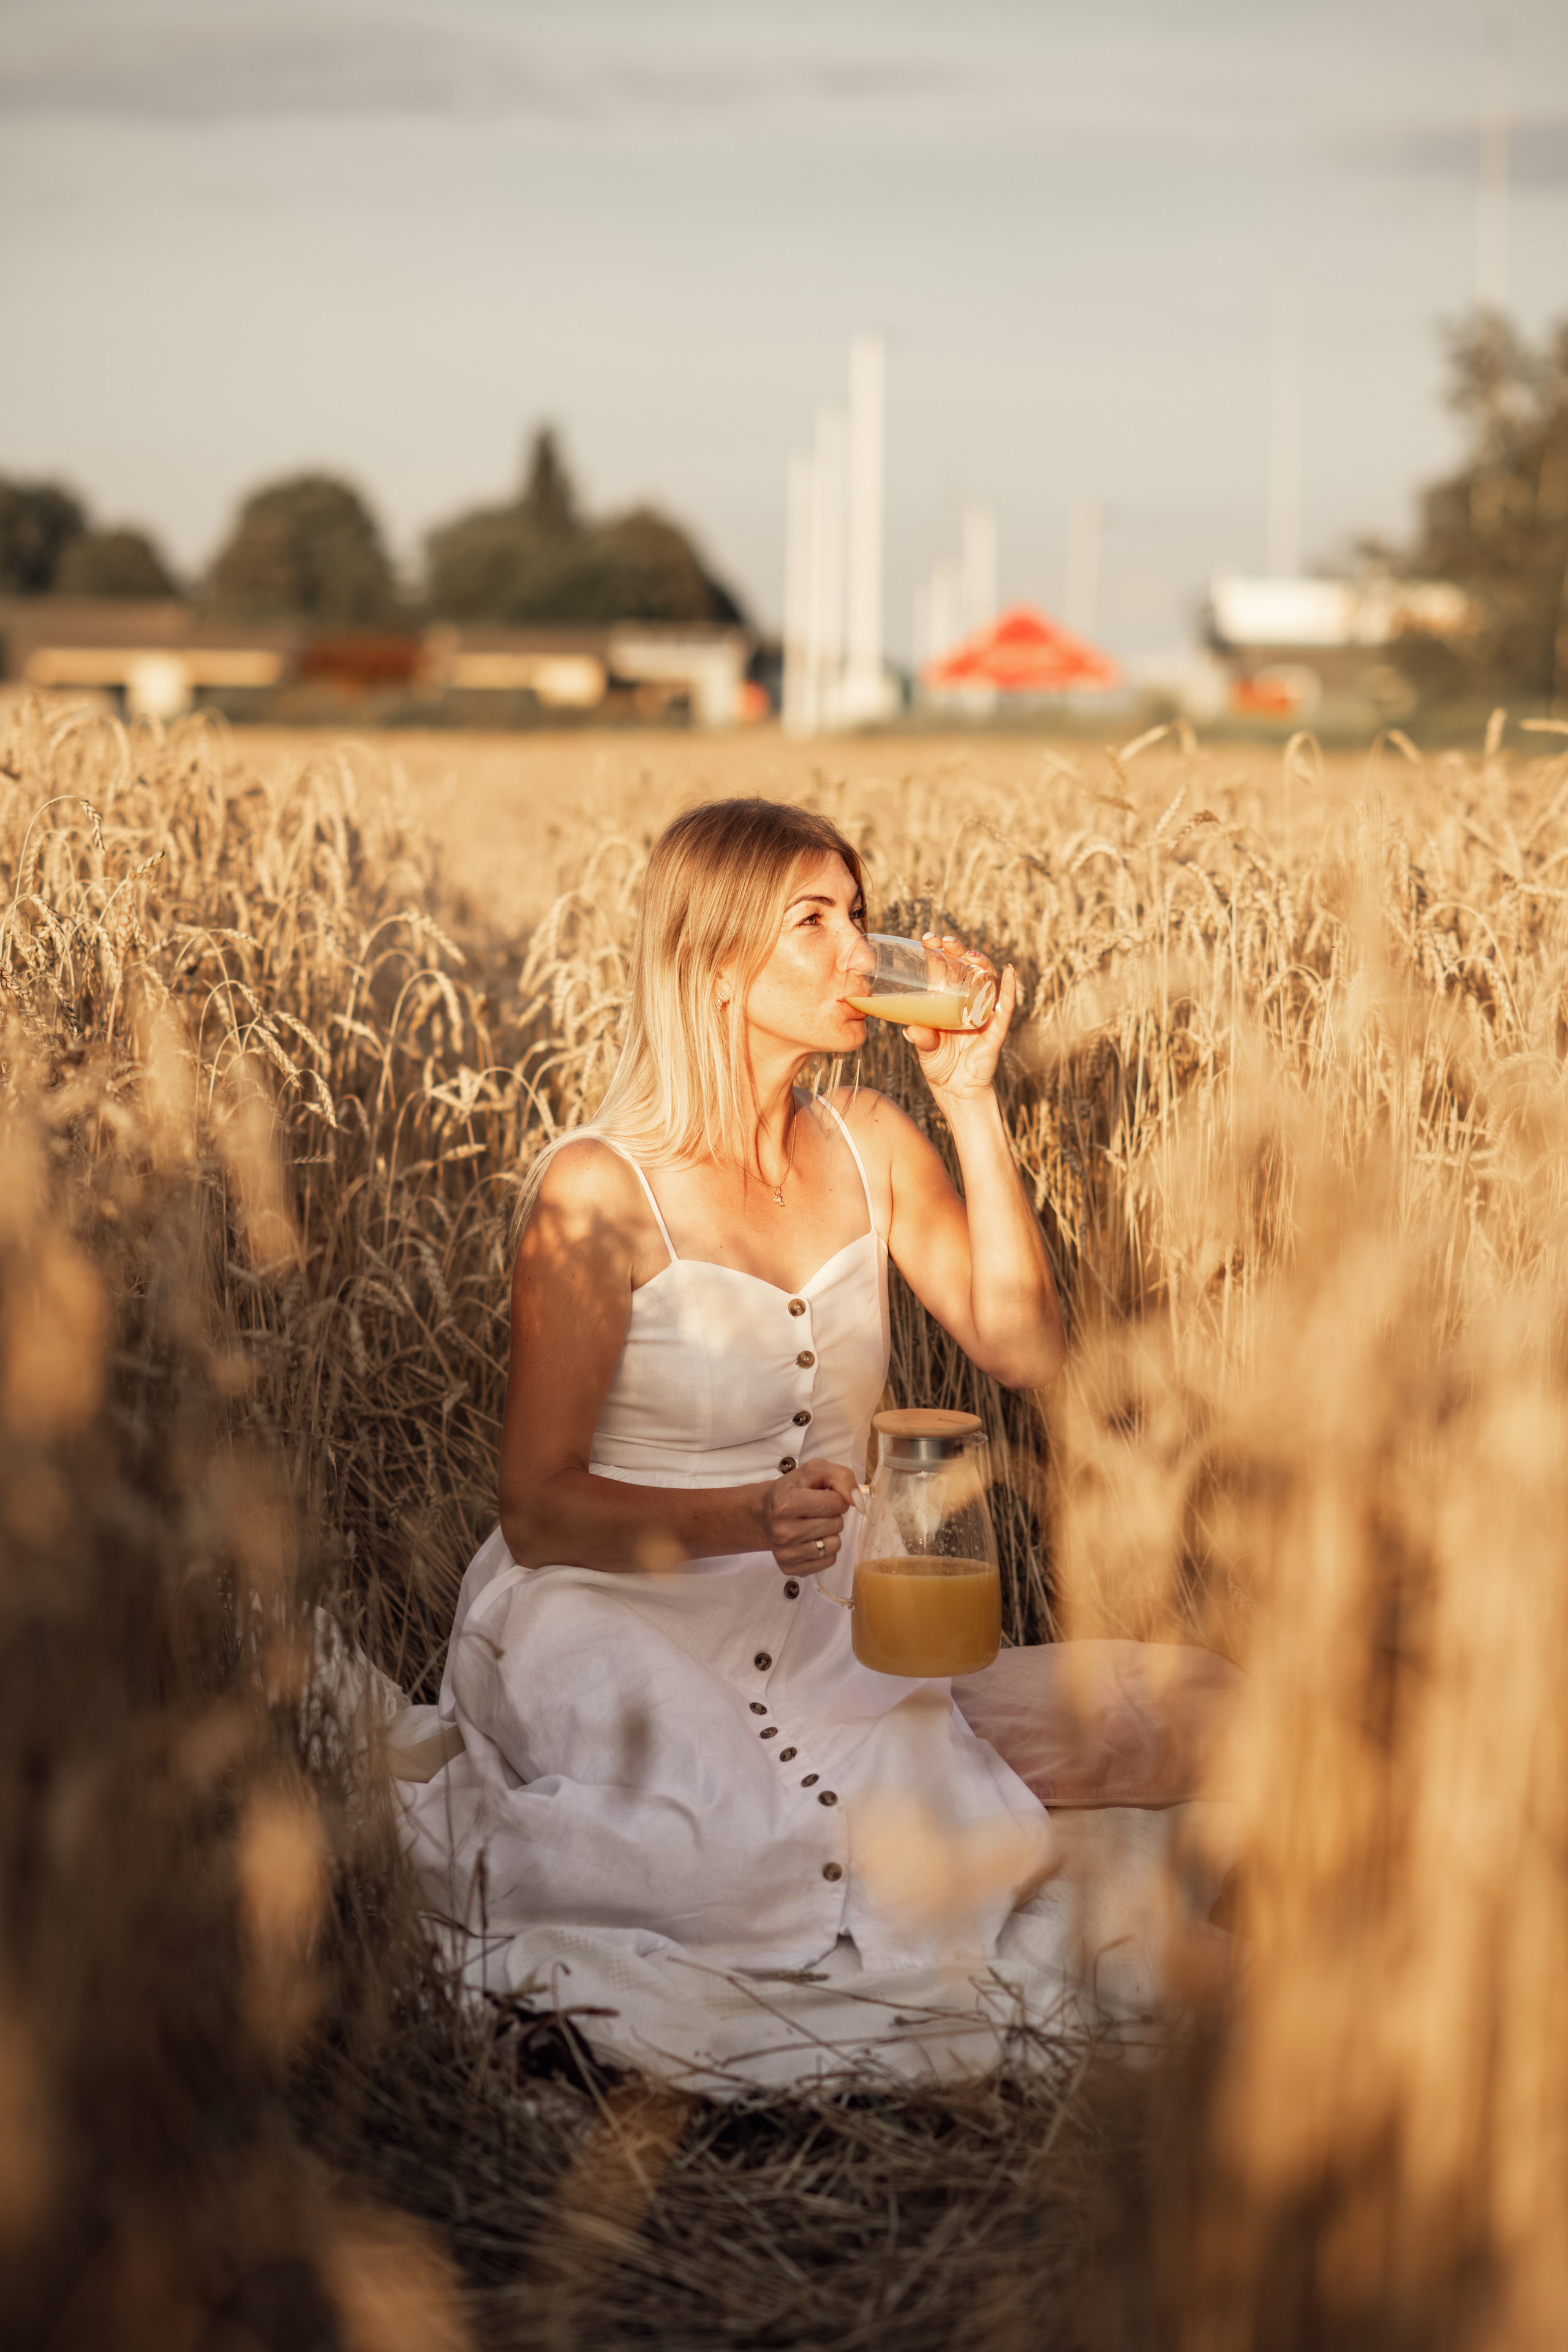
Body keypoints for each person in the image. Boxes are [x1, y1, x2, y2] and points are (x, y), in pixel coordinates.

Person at [394, 799, 1231, 2080]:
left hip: (837, 1607)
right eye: (814, 924)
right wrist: (741, 1518)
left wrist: (971, 1103)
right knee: (730, 1857)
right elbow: (538, 1509)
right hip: (623, 1607)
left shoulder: (870, 1142)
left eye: (858, 912)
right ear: (715, 964)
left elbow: (1023, 1350)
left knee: (1176, 1729)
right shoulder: (599, 1188)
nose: (860, 951)